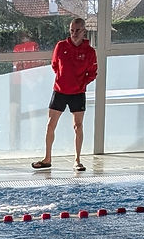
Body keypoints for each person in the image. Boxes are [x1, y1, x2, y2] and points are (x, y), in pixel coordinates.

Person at [32, 17, 98, 171]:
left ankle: (77, 160)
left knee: (78, 126)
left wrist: (80, 84)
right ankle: (47, 158)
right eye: (72, 30)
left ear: (84, 31)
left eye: (77, 30)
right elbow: (55, 65)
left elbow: (92, 73)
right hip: (60, 90)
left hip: (78, 93)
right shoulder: (61, 46)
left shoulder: (89, 51)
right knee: (50, 124)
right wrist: (62, 79)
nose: (74, 33)